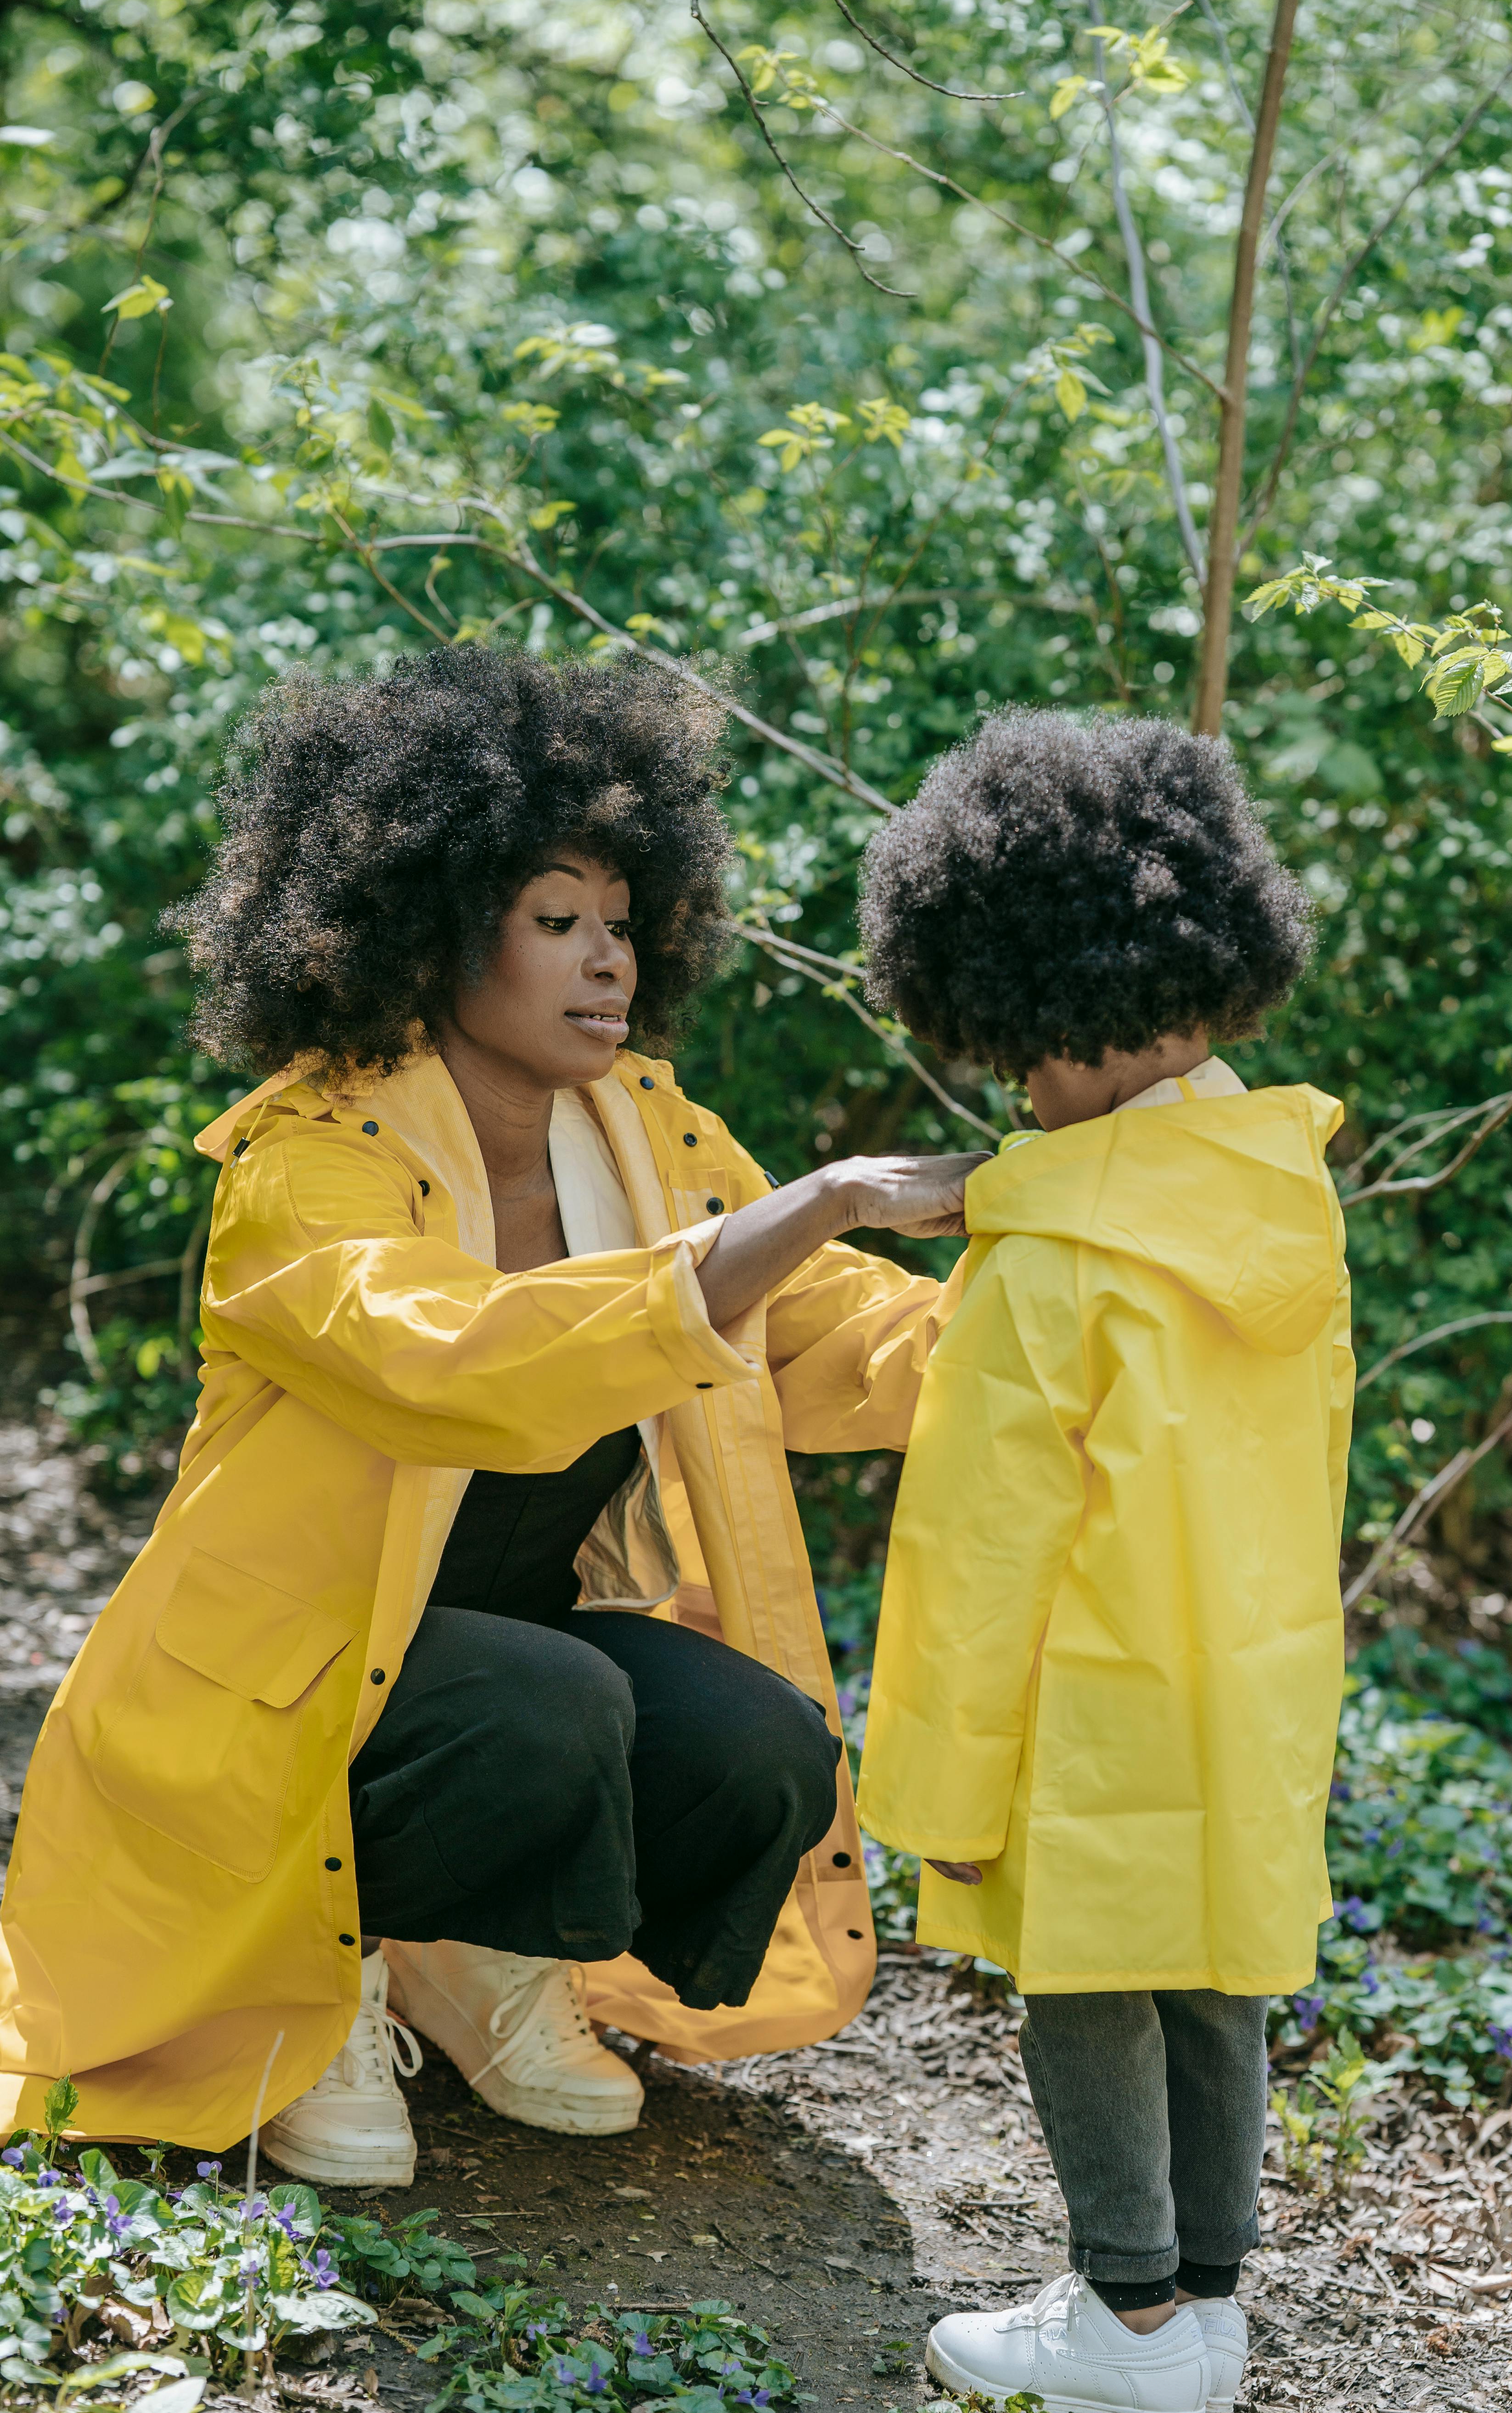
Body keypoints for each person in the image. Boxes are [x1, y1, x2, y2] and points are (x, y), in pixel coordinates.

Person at [0, 642, 979, 2182]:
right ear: (441, 933)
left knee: (765, 1749)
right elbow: (458, 1356)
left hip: (501, 1660)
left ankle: (469, 1952)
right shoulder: (304, 1157)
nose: (611, 962)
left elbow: (822, 1336)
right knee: (549, 1704)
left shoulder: (649, 1132)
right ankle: (314, 1996)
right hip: (292, 1692)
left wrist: (1082, 1315)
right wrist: (830, 1197)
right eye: (555, 922)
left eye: (622, 922)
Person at [854, 709, 1351, 2413]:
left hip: (1089, 1691)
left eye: (1018, 1059)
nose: (1017, 1092)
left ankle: (1127, 2315)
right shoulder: (1283, 1187)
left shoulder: (1052, 1249)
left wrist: (940, 1778)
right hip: (1256, 1668)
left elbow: (985, 1544)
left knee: (1087, 1981)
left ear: (1020, 1014)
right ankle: (1204, 2307)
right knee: (1217, 1967)